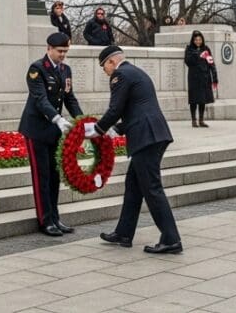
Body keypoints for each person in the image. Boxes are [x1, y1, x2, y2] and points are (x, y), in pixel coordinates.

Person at [91, 45, 182, 254]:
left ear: (111, 62)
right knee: (133, 185)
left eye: (104, 67)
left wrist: (97, 129)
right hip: (152, 134)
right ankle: (124, 233)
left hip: (146, 138)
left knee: (152, 188)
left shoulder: (120, 75)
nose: (105, 71)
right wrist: (117, 129)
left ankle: (171, 239)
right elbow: (137, 109)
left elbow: (115, 109)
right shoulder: (136, 72)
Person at [18, 32, 82, 236]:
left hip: (54, 131)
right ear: (49, 49)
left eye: (65, 51)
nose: (63, 55)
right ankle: (45, 220)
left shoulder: (65, 70)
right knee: (42, 176)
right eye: (59, 51)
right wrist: (57, 118)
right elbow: (40, 99)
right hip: (37, 129)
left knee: (54, 176)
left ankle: (55, 217)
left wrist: (82, 121)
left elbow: (69, 98)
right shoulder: (37, 69)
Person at [184, 31, 218, 127]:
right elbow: (187, 61)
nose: (198, 41)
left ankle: (201, 120)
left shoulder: (206, 49)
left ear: (202, 40)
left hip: (204, 77)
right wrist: (198, 55)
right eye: (196, 40)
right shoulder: (189, 49)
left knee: (202, 99)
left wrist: (215, 78)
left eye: (199, 39)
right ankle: (193, 120)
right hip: (194, 78)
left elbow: (211, 64)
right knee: (194, 100)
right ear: (193, 40)